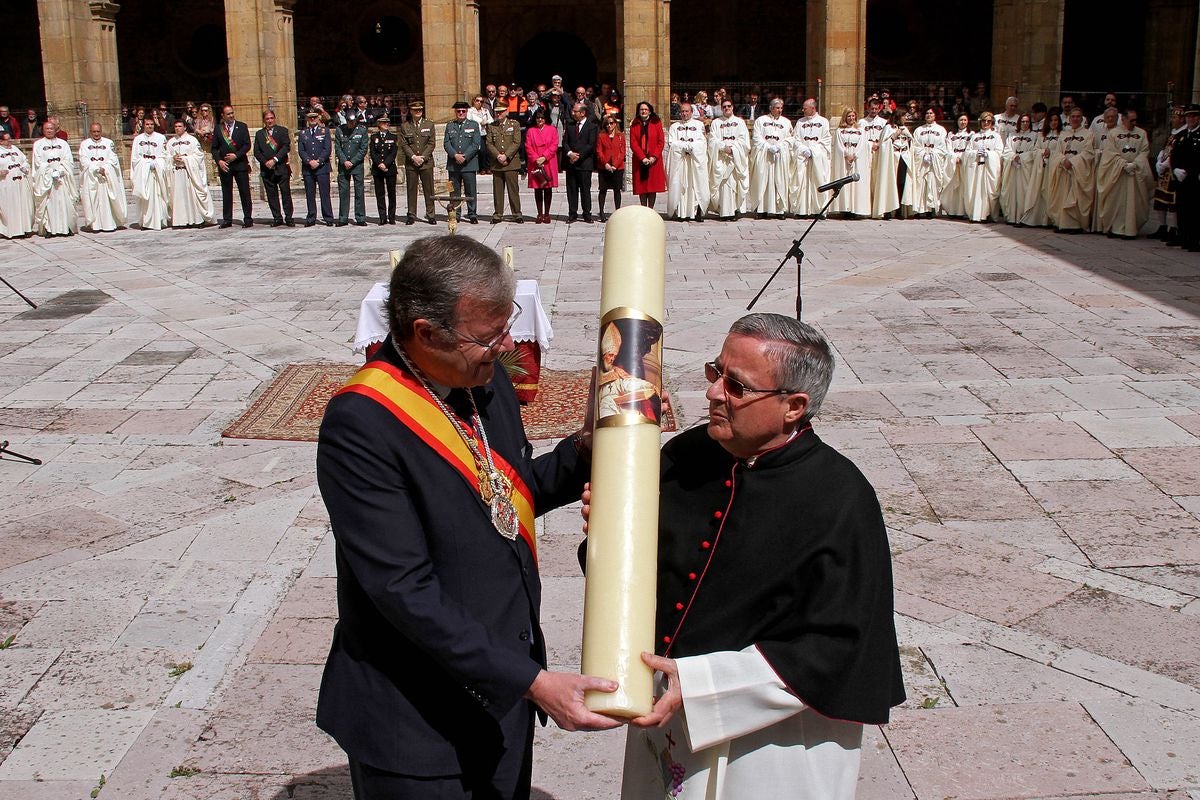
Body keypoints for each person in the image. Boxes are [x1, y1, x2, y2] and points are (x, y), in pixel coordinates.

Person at [316, 235, 619, 800]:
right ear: (425, 332)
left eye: (507, 329)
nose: (506, 348)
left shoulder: (482, 378)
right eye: (489, 337)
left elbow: (510, 491)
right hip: (416, 717)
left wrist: (586, 449)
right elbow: (402, 588)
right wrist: (533, 682)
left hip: (499, 696)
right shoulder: (361, 423)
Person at [590, 313, 904, 800]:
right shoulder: (689, 454)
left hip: (775, 744)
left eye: (736, 386)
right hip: (666, 717)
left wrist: (702, 683)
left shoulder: (839, 499)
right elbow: (645, 573)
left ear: (794, 406)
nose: (714, 393)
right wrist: (612, 534)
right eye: (716, 373)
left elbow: (843, 646)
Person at [1094, 108, 1153, 239]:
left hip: (1134, 173)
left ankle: (1131, 229)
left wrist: (1135, 164)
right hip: (1118, 173)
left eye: (1135, 120)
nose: (1134, 123)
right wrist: (1122, 164)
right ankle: (1115, 227)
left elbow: (1144, 151)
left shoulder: (1142, 133)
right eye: (1131, 120)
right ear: (1124, 119)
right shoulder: (1113, 134)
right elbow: (1110, 152)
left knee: (1134, 201)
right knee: (1116, 200)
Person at [1047, 108, 1096, 233]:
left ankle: (1074, 225)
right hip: (1063, 170)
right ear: (1069, 119)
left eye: (1078, 117)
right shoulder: (1063, 135)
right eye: (1073, 116)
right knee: (1062, 197)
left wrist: (1073, 161)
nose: (1075, 119)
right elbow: (1056, 152)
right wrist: (1063, 161)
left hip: (1077, 171)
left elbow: (1089, 153)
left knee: (1076, 198)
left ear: (1082, 118)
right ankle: (1061, 223)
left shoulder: (1088, 134)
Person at [32, 121, 78, 237]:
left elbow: (68, 160)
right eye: (46, 129)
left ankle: (66, 227)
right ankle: (50, 228)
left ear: (55, 129)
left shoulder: (63, 144)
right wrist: (50, 172)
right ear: (43, 130)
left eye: (51, 129)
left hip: (62, 179)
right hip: (47, 180)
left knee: (64, 202)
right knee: (49, 204)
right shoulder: (38, 144)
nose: (49, 131)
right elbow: (38, 163)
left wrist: (61, 170)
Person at [78, 122, 126, 232]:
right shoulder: (84, 144)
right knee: (93, 200)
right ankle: (96, 225)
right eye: (94, 131)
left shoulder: (109, 143)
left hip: (106, 176)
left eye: (98, 131)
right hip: (92, 177)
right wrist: (95, 168)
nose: (96, 134)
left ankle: (109, 224)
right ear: (90, 132)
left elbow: (113, 158)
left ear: (101, 131)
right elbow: (83, 159)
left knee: (106, 201)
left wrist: (105, 168)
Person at [707, 98, 750, 221]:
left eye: (729, 106)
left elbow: (744, 140)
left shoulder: (740, 122)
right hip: (721, 159)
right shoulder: (716, 123)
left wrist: (733, 149)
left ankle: (735, 210)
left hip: (735, 159)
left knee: (735, 184)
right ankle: (724, 211)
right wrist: (722, 147)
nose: (726, 108)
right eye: (724, 107)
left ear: (733, 107)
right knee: (723, 184)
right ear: (721, 108)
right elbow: (712, 139)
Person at [666, 102, 709, 222]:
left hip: (694, 162)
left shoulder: (699, 124)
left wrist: (691, 148)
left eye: (687, 111)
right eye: (682, 111)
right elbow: (672, 143)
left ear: (691, 112)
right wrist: (684, 147)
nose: (684, 114)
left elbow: (702, 142)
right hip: (680, 162)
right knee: (680, 185)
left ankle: (696, 212)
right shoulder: (674, 127)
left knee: (695, 186)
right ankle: (682, 213)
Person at [167, 119, 214, 228]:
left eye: (180, 126)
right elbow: (166, 156)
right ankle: (181, 221)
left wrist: (186, 159)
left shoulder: (192, 140)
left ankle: (196, 220)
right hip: (177, 174)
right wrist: (172, 158)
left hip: (189, 173)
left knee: (192, 197)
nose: (177, 128)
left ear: (185, 127)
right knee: (179, 198)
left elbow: (198, 156)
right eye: (176, 126)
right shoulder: (170, 142)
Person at [750, 98, 792, 218]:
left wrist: (779, 146)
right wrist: (767, 146)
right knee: (763, 181)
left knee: (779, 181)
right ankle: (762, 209)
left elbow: (790, 138)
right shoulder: (761, 120)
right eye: (777, 108)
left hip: (779, 157)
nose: (779, 110)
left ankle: (779, 210)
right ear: (771, 108)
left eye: (781, 108)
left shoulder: (786, 122)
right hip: (765, 156)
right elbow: (756, 137)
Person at [211, 105, 253, 228]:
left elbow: (247, 145)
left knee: (244, 192)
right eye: (228, 114)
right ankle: (227, 219)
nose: (231, 116)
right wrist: (219, 161)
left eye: (232, 113)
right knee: (227, 192)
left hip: (240, 164)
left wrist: (236, 155)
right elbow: (214, 148)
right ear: (223, 116)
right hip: (225, 166)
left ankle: (248, 218)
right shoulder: (219, 129)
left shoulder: (242, 126)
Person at [790, 98, 831, 218]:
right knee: (802, 183)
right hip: (803, 158)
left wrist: (813, 151)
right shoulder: (800, 122)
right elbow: (795, 139)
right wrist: (803, 149)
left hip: (817, 158)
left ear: (813, 108)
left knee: (818, 181)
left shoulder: (824, 122)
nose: (803, 110)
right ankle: (802, 210)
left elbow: (826, 140)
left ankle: (819, 210)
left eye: (805, 108)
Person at [1151, 106, 1186, 242]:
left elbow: (1176, 153)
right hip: (1164, 171)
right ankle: (1162, 226)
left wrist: (1165, 164)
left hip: (1172, 172)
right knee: (1161, 200)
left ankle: (1174, 228)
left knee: (1172, 202)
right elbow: (1165, 148)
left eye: (1175, 117)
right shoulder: (1173, 133)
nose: (1172, 120)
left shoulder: (1182, 134)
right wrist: (1159, 161)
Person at [482, 105, 523, 224]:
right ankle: (498, 214)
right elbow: (489, 143)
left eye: (501, 111)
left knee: (513, 189)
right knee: (498, 190)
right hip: (497, 163)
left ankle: (516, 213)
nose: (498, 114)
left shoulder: (514, 124)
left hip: (511, 162)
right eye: (497, 112)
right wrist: (498, 156)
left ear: (507, 111)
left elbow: (516, 142)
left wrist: (506, 156)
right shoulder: (492, 126)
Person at [254, 109, 295, 227]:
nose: (269, 121)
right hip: (267, 169)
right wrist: (265, 162)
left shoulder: (282, 131)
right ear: (264, 120)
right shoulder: (260, 134)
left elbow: (286, 147)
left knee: (285, 193)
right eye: (267, 119)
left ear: (274, 118)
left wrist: (275, 160)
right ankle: (277, 217)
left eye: (271, 118)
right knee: (271, 194)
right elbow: (257, 151)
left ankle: (289, 217)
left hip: (281, 167)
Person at [399, 100, 437, 225]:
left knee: (429, 189)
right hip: (412, 162)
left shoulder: (429, 124)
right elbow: (404, 144)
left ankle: (431, 214)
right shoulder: (405, 126)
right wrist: (413, 157)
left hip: (426, 162)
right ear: (411, 111)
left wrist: (422, 157)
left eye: (420, 110)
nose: (418, 112)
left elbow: (431, 143)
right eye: (415, 110)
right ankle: (411, 214)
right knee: (411, 189)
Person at [1169, 104, 1200, 252]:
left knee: (1194, 209)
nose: (1190, 119)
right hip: (1181, 178)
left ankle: (1194, 239)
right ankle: (1184, 237)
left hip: (1194, 178)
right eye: (1188, 116)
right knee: (1182, 208)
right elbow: (1173, 155)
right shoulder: (1181, 136)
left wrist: (1189, 171)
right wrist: (1175, 168)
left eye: (1193, 116)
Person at [444, 100, 482, 224]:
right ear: (455, 112)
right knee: (454, 191)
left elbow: (476, 144)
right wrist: (455, 155)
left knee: (470, 190)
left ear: (466, 112)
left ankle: (472, 213)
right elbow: (446, 143)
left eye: (463, 111)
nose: (461, 113)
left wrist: (464, 156)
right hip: (453, 164)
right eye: (458, 111)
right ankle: (456, 213)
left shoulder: (474, 125)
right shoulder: (450, 125)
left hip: (469, 163)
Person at [131, 117, 170, 230]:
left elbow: (164, 155)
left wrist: (156, 163)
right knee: (145, 198)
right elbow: (135, 158)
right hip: (144, 173)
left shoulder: (161, 138)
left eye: (152, 124)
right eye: (147, 124)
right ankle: (146, 222)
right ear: (144, 125)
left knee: (158, 197)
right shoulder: (138, 139)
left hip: (156, 173)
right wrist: (146, 164)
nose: (149, 126)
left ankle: (158, 220)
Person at [962, 111, 1002, 222]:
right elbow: (967, 152)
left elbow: (999, 153)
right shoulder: (974, 136)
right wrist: (975, 153)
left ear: (992, 122)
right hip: (976, 169)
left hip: (989, 169)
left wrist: (989, 154)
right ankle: (976, 214)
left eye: (988, 121)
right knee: (976, 191)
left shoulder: (996, 136)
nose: (986, 123)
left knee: (989, 191)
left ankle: (988, 213)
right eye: (984, 120)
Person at [1024, 110, 1062, 228]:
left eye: (1055, 120)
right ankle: (1038, 219)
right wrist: (1042, 152)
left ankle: (1050, 220)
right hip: (1042, 168)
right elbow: (1035, 150)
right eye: (1051, 120)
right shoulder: (1041, 136)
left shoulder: (1062, 135)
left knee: (1052, 192)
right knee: (1040, 192)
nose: (1053, 122)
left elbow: (1062, 151)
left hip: (1054, 168)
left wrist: (1052, 153)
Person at [831, 107, 870, 218]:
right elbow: (838, 144)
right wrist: (845, 154)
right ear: (845, 117)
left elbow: (862, 145)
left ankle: (855, 208)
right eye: (849, 116)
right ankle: (845, 208)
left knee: (855, 184)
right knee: (845, 182)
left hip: (856, 159)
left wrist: (855, 155)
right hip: (844, 159)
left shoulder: (861, 130)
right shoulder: (839, 131)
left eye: (853, 116)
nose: (851, 118)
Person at [298, 111, 335, 227]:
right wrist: (309, 161)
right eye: (310, 118)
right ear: (307, 119)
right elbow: (301, 150)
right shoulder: (303, 133)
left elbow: (327, 149)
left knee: (325, 194)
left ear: (318, 118)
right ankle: (311, 217)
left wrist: (319, 161)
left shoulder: (325, 131)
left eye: (315, 117)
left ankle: (328, 217)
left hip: (322, 167)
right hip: (308, 168)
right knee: (310, 194)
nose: (313, 119)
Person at [999, 113, 1037, 225]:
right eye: (1023, 121)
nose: (1025, 124)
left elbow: (1035, 151)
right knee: (1012, 192)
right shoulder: (1012, 135)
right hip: (1013, 168)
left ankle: (1022, 217)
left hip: (1026, 169)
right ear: (1019, 122)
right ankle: (1011, 217)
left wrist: (1023, 157)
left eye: (1027, 122)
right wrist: (1013, 156)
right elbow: (1006, 150)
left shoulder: (1034, 136)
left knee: (1024, 192)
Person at [911, 108, 949, 218]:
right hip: (922, 161)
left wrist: (933, 154)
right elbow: (916, 145)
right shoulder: (918, 130)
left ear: (935, 115)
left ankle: (931, 209)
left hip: (934, 161)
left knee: (933, 183)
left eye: (931, 113)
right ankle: (920, 209)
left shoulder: (941, 130)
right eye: (927, 113)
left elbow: (942, 146)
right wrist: (923, 154)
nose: (929, 115)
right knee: (920, 184)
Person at [563, 102, 597, 223]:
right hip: (571, 163)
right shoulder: (570, 125)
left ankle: (587, 213)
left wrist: (579, 156)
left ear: (582, 113)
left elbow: (591, 144)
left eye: (575, 111)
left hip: (584, 163)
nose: (573, 113)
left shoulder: (592, 126)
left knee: (585, 189)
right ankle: (572, 213)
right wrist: (570, 153)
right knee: (571, 189)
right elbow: (565, 142)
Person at [629, 102, 666, 209]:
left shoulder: (656, 123)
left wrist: (654, 156)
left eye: (646, 109)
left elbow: (661, 141)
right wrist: (642, 157)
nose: (644, 111)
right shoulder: (634, 124)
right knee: (642, 187)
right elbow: (633, 143)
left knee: (652, 187)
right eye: (641, 109)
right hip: (640, 160)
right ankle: (643, 208)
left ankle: (651, 209)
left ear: (649, 111)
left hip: (654, 160)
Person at [524, 107, 558, 223]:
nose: (540, 120)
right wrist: (536, 158)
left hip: (548, 161)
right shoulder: (530, 131)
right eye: (538, 117)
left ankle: (547, 214)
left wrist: (544, 156)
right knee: (538, 189)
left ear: (546, 118)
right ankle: (539, 214)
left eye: (542, 118)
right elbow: (528, 146)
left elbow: (554, 144)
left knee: (547, 188)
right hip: (535, 163)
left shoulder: (552, 130)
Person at [335, 111, 370, 226]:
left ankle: (360, 217)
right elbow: (338, 147)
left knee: (359, 191)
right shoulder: (340, 130)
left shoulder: (362, 130)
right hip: (344, 165)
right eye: (349, 122)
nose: (351, 124)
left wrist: (353, 161)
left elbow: (363, 148)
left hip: (357, 165)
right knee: (343, 191)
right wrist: (344, 160)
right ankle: (343, 217)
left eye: (353, 122)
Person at [0, 131, 35, 238]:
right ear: (1, 141)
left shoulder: (15, 149)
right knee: (9, 207)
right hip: (6, 184)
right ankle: (11, 231)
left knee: (23, 205)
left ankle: (25, 228)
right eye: (7, 139)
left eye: (10, 138)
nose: (10, 141)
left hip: (20, 183)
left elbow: (24, 160)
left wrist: (24, 167)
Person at [940, 113, 973, 218]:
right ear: (957, 121)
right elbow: (948, 148)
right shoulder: (951, 135)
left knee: (964, 186)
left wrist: (962, 158)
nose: (963, 122)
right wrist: (954, 157)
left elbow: (971, 148)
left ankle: (962, 211)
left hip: (964, 162)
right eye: (960, 120)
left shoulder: (971, 134)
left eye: (965, 120)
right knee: (953, 187)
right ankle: (953, 210)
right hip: (953, 163)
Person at [869, 113, 901, 220]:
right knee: (888, 183)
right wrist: (895, 135)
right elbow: (884, 143)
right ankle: (886, 210)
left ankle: (898, 211)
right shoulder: (888, 128)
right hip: (889, 160)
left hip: (901, 159)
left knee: (900, 184)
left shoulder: (903, 128)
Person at [595, 114, 625, 222]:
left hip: (617, 167)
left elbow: (622, 152)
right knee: (603, 189)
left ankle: (618, 212)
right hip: (604, 167)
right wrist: (605, 164)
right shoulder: (601, 136)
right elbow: (599, 151)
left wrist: (615, 165)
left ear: (615, 124)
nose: (609, 125)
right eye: (607, 123)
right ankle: (602, 212)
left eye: (611, 123)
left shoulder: (620, 136)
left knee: (617, 190)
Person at [369, 115, 399, 225]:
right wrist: (379, 164)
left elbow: (393, 153)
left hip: (389, 168)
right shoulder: (374, 137)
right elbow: (372, 152)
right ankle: (382, 216)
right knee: (380, 194)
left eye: (388, 122)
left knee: (392, 193)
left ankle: (392, 217)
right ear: (379, 125)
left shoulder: (393, 137)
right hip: (378, 169)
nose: (386, 124)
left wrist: (385, 163)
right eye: (384, 123)